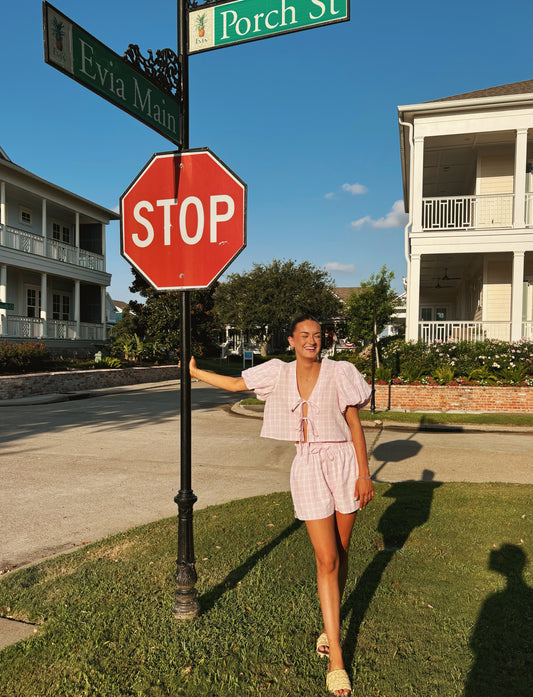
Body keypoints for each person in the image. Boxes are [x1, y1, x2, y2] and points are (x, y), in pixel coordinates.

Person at [189, 314, 373, 697]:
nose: (311, 341)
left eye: (318, 336)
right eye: (304, 335)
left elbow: (354, 424)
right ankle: (337, 656)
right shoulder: (278, 372)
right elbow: (238, 383)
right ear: (290, 340)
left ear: (325, 340)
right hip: (306, 464)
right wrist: (196, 373)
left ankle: (329, 624)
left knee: (341, 551)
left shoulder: (339, 371)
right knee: (325, 559)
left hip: (344, 464)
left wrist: (364, 473)